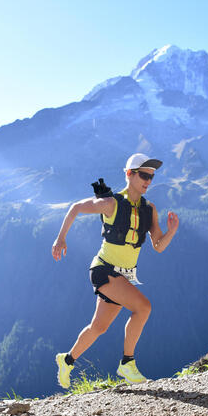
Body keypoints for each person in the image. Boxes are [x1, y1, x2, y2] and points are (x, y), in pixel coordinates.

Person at [51, 152, 180, 388]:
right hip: (104, 270)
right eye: (143, 175)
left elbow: (158, 246)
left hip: (124, 275)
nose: (148, 181)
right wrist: (61, 239)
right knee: (143, 308)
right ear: (129, 174)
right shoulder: (111, 203)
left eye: (151, 177)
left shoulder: (149, 210)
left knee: (98, 327)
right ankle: (127, 363)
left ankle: (67, 360)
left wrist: (171, 230)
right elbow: (76, 207)